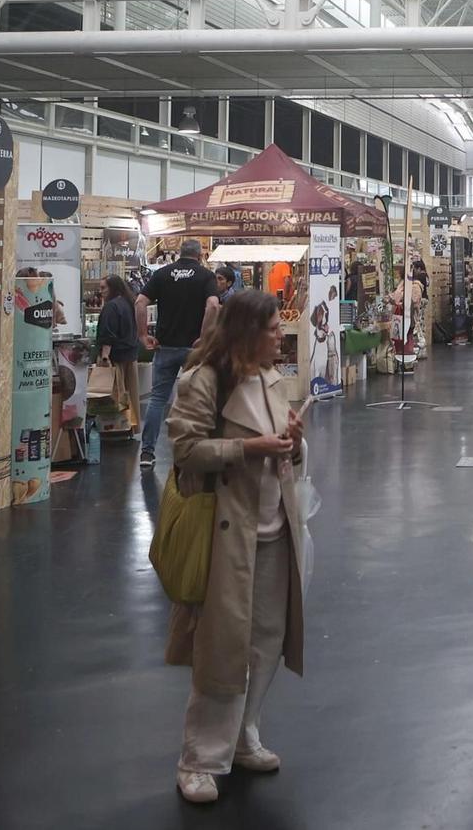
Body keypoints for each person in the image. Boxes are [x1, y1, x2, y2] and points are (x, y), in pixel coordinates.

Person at [164, 290, 308, 805]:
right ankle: (199, 759)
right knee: (220, 645)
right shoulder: (203, 381)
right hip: (228, 532)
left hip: (275, 528)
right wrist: (249, 448)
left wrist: (294, 440)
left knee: (267, 639)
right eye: (271, 329)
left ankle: (245, 734)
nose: (279, 336)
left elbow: (286, 450)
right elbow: (184, 450)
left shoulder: (272, 380)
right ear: (247, 331)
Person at [136, 238, 222, 469]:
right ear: (200, 254)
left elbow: (140, 302)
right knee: (198, 398)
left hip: (165, 346)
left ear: (179, 253)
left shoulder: (163, 274)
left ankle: (147, 452)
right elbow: (213, 305)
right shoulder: (205, 276)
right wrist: (204, 336)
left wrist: (143, 335)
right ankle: (195, 449)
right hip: (193, 349)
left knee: (157, 400)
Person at [95, 274, 142, 431]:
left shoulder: (111, 307)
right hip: (131, 355)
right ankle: (132, 426)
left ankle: (117, 428)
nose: (100, 291)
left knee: (116, 396)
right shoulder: (130, 303)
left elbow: (108, 334)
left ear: (113, 288)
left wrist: (104, 356)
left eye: (103, 288)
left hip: (116, 357)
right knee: (131, 395)